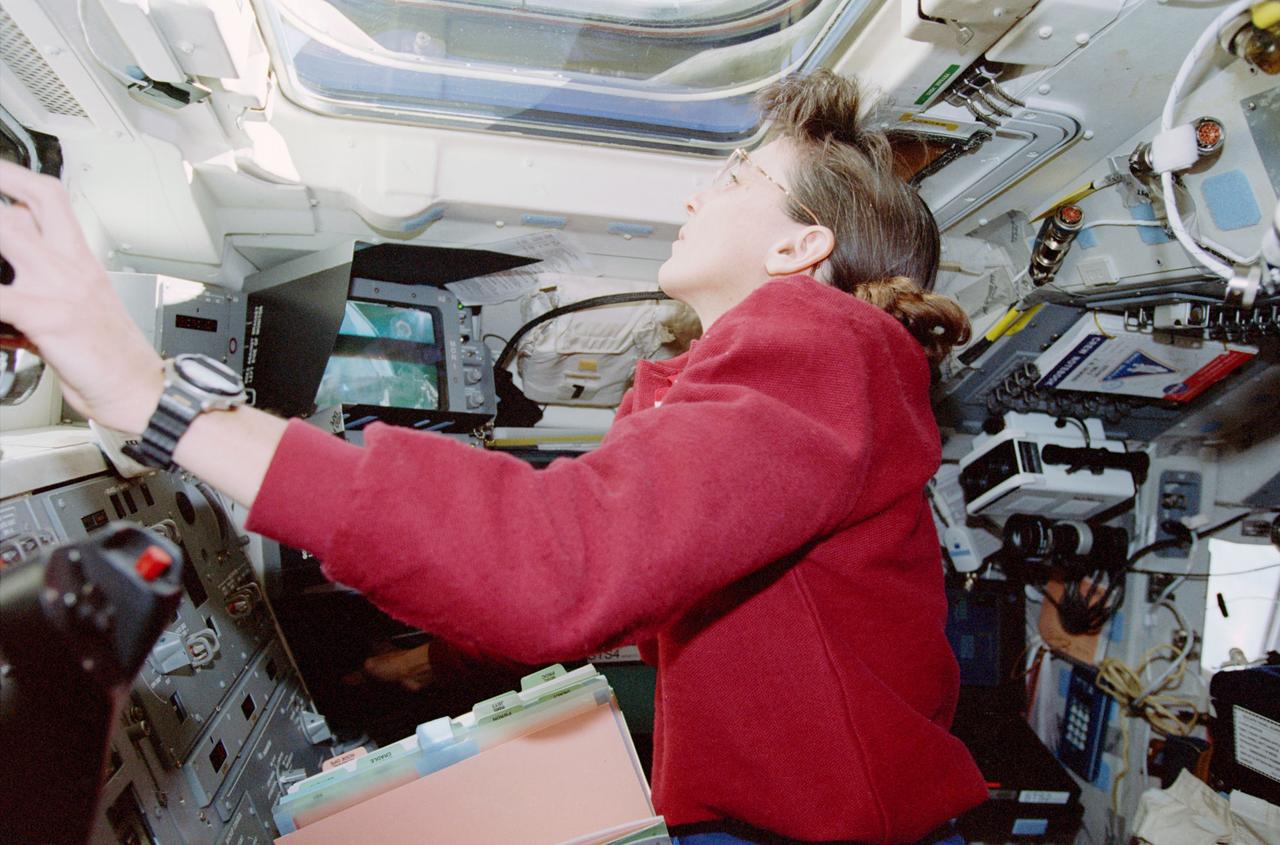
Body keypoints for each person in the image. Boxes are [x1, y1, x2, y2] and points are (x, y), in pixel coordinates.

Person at [0, 70, 987, 843]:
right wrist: (434, 661)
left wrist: (152, 397)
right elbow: (626, 584)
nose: (696, 196)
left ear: (795, 250)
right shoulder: (764, 386)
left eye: (732, 180)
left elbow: (562, 560)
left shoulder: (823, 345)